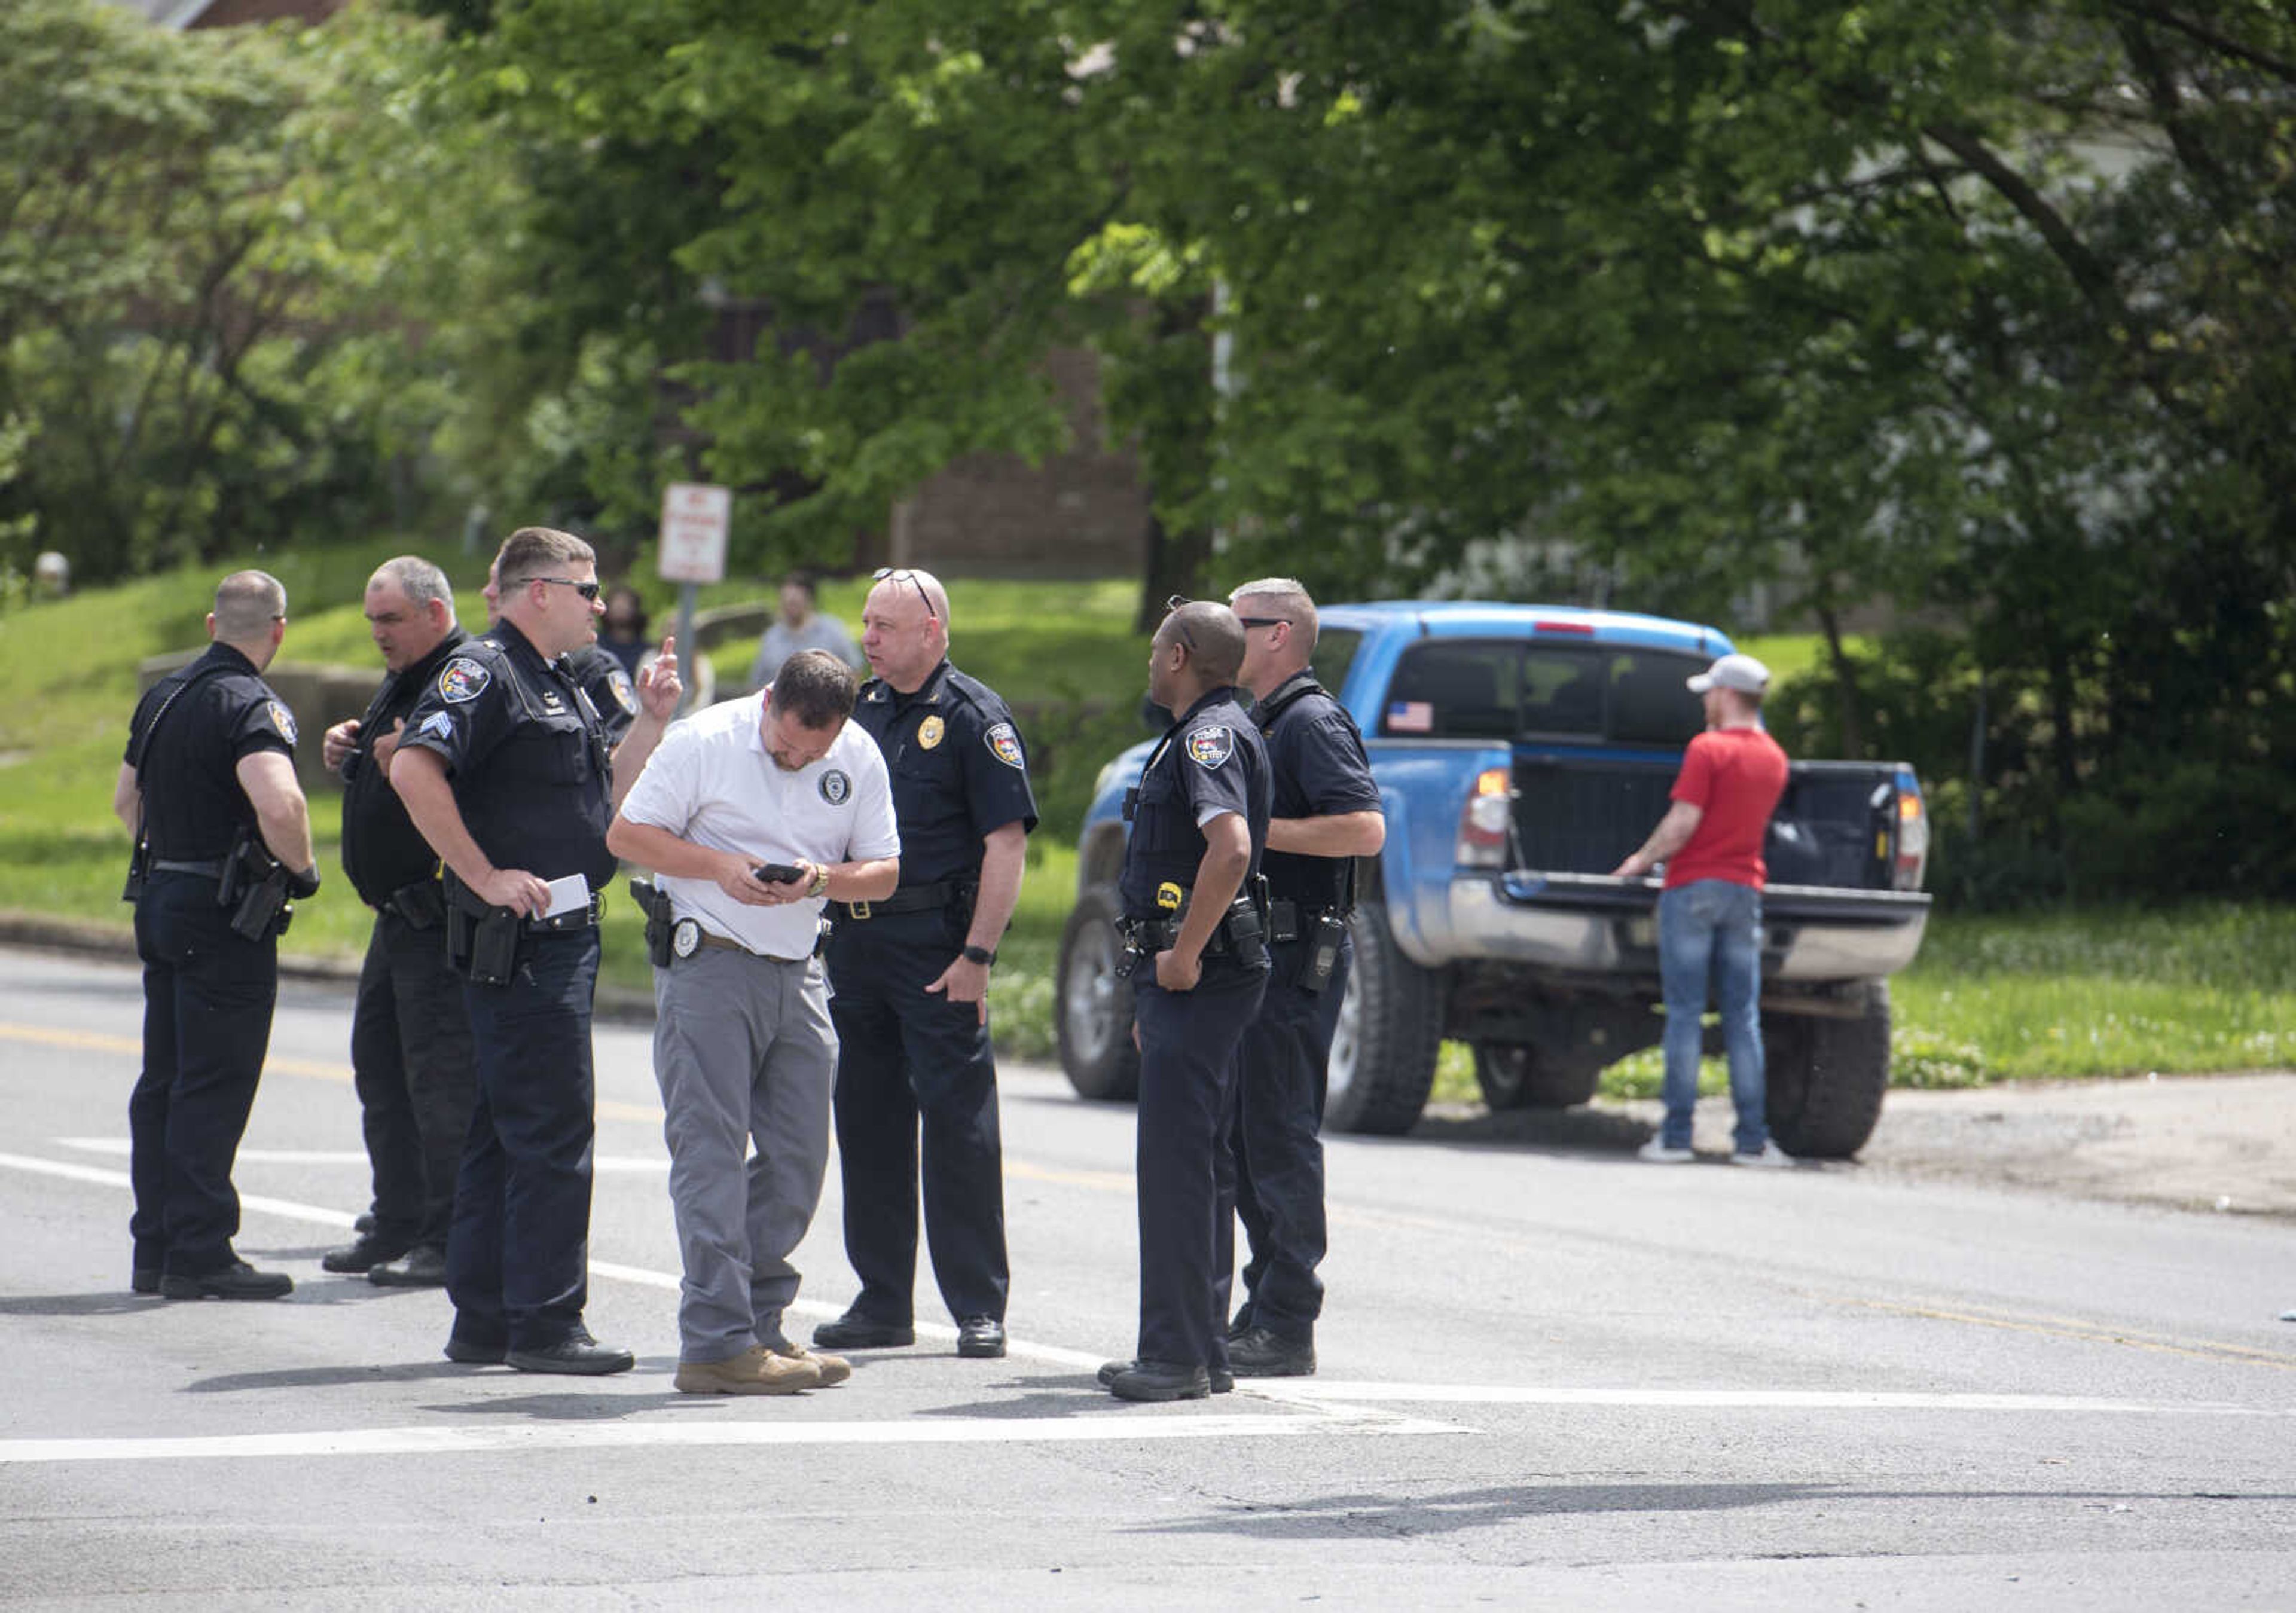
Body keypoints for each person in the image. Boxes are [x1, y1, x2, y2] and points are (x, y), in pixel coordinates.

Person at [389, 527, 678, 1374]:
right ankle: (547, 1321)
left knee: (500, 1131)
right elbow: (415, 768)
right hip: (525, 941)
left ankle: (483, 1319)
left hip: (562, 932)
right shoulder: (485, 671)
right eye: (588, 590)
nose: (601, 604)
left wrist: (653, 721)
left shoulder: (558, 679)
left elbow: (609, 798)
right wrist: (482, 874)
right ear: (539, 591)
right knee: (553, 1130)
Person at [607, 650, 902, 1395]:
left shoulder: (857, 753)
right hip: (708, 960)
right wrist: (719, 866)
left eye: (815, 751)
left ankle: (761, 1324)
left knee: (799, 1155)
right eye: (787, 745)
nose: (799, 759)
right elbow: (626, 835)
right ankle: (714, 1340)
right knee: (709, 1154)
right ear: (769, 701)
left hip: (798, 965)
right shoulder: (706, 740)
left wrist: (823, 879)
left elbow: (886, 870)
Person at [813, 567, 1036, 1361]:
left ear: (932, 632)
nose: (866, 638)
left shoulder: (974, 716)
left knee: (958, 1127)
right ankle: (881, 1300)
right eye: (866, 622)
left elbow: (1005, 843)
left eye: (884, 626)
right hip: (858, 943)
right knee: (867, 1122)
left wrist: (979, 953)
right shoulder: (856, 711)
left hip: (937, 950)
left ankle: (978, 1304)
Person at [111, 570, 321, 1300]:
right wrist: (300, 870)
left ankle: (158, 1248)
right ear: (279, 630)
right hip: (222, 915)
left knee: (164, 1079)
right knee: (214, 1080)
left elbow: (125, 800)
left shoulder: (163, 696)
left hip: (162, 894)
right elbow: (280, 797)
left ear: (211, 624)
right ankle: (200, 1251)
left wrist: (178, 856)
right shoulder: (250, 702)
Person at [1097, 600, 1272, 1402]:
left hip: (1198, 975)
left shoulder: (1208, 734)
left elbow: (1229, 846)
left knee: (1174, 1166)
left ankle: (1173, 1356)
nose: (1147, 660)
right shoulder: (1218, 727)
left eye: (1157, 647)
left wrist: (1184, 955)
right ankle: (1204, 1348)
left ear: (1180, 656)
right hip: (1199, 977)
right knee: (1203, 1161)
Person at [1218, 578, 1384, 1378]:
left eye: (1236, 623)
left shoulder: (1311, 720)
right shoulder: (1263, 718)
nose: (1223, 634)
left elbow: (1364, 826)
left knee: (1279, 1134)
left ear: (1278, 633)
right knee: (1250, 1136)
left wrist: (1254, 832)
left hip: (1296, 957)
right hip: (1262, 957)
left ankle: (1288, 1321)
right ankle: (1264, 1300)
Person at [316, 557, 479, 1288]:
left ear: (435, 613)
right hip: (394, 918)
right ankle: (397, 1218)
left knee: (439, 1081)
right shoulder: (408, 675)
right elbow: (390, 768)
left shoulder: (461, 677)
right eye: (372, 620)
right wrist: (351, 754)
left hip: (436, 913)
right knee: (379, 1067)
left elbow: (461, 781)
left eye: (391, 619)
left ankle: (447, 1237)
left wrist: (396, 754)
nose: (378, 633)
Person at [1611, 651, 1793, 1167]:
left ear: (1728, 695)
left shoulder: (1708, 749)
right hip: (1744, 893)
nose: (1706, 701)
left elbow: (1684, 821)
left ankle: (1675, 1138)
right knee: (1742, 1017)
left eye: (1710, 692)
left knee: (1686, 1015)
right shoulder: (1774, 758)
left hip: (1692, 890)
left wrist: (1640, 860)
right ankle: (1753, 1141)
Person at [483, 557, 640, 748]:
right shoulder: (480, 661)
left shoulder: (592, 668)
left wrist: (651, 721)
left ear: (540, 593)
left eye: (500, 584)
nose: (488, 592)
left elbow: (616, 763)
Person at [745, 572, 862, 692]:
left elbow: (854, 670)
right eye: (785, 602)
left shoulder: (833, 631)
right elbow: (756, 683)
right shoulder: (771, 637)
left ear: (809, 600)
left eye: (794, 602)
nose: (788, 607)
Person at [597, 584, 651, 679]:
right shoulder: (596, 645)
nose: (621, 608)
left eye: (626, 604)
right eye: (616, 605)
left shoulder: (646, 651)